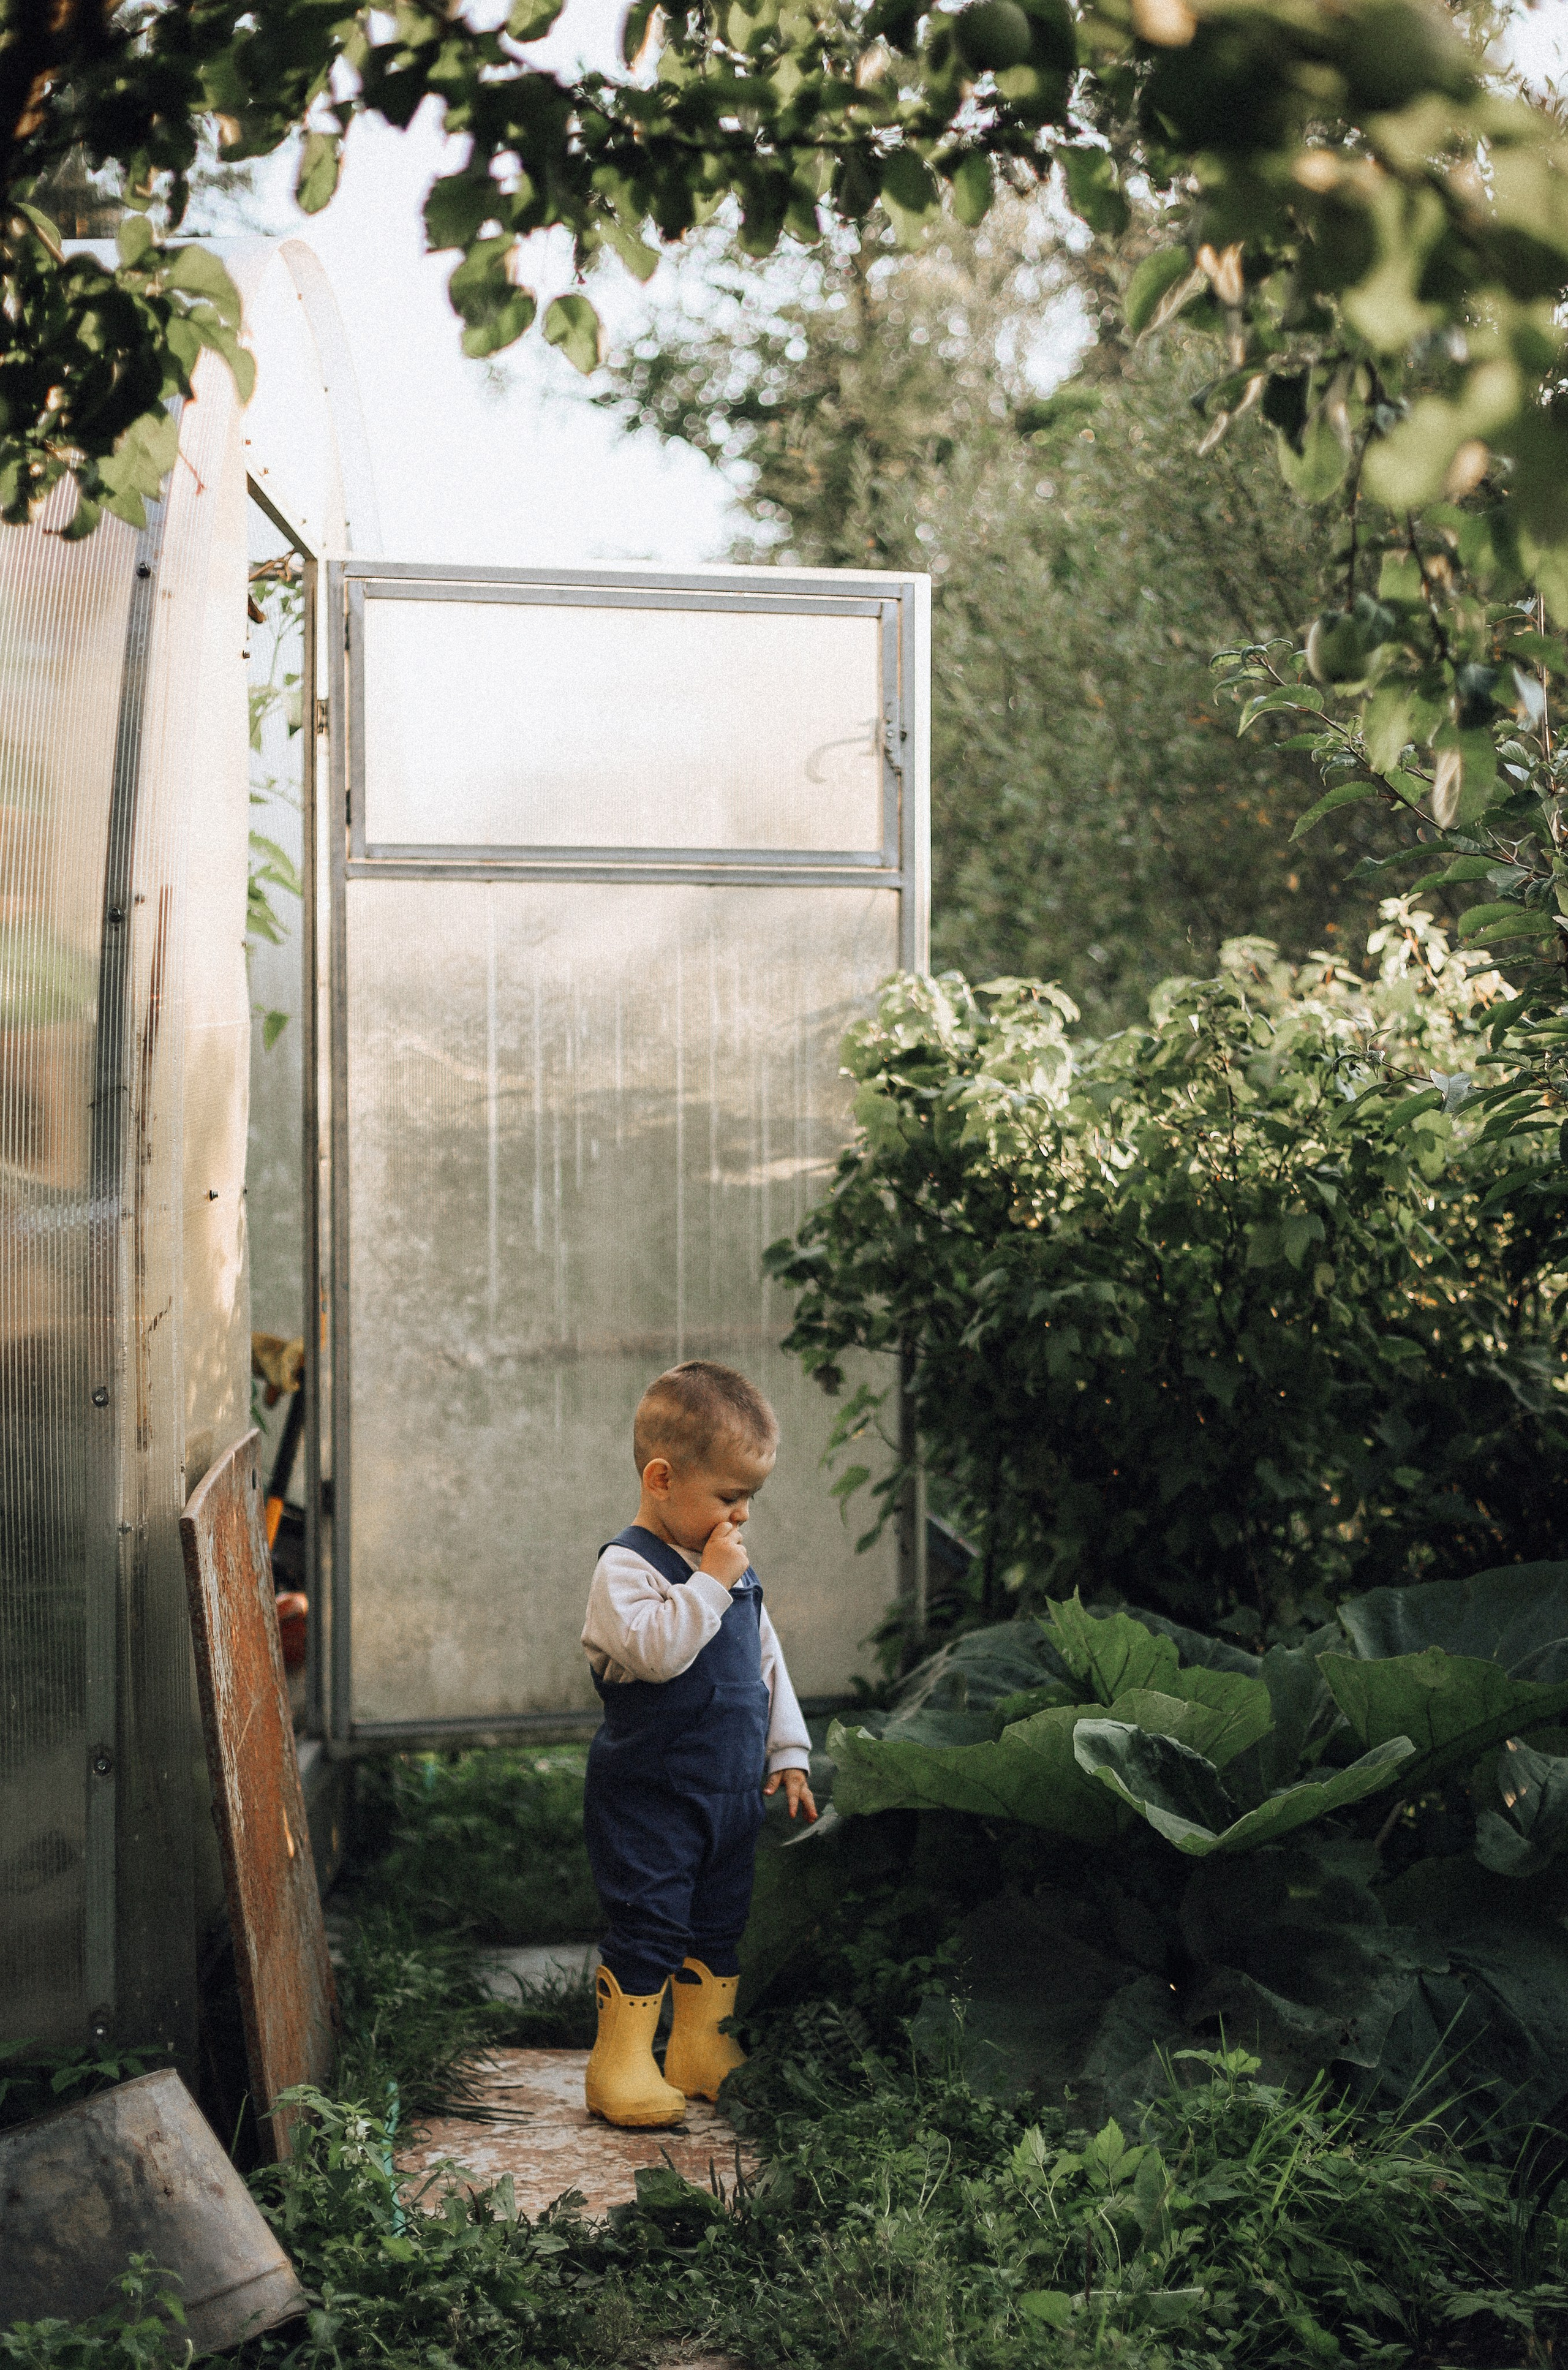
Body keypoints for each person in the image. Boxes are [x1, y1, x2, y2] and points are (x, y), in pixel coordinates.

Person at [580, 1359, 818, 2128]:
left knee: (720, 1919)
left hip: (726, 1793)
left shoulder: (731, 1572)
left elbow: (764, 1661)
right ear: (660, 1478)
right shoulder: (626, 1569)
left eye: (748, 1498)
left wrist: (788, 1751)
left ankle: (697, 2047)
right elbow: (656, 1652)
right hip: (650, 1795)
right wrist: (711, 1583)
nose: (741, 1515)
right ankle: (620, 2062)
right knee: (651, 1919)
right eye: (728, 1495)